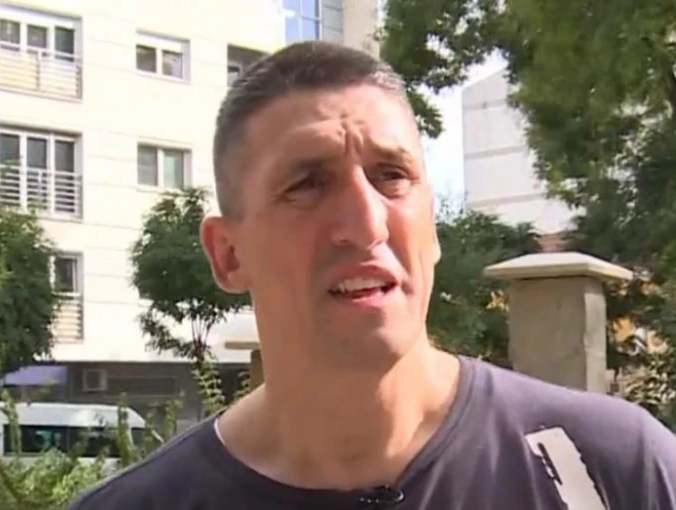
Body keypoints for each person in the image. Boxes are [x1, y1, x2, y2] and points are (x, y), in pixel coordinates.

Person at [70, 41, 676, 509]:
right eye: (307, 184)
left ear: (431, 227)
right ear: (228, 254)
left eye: (391, 175)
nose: (366, 223)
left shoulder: (613, 469)